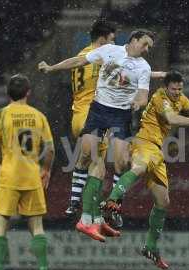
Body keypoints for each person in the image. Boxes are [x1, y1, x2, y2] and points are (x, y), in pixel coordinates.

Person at [101, 71, 189, 269]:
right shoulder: (159, 98)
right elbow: (172, 119)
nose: (177, 92)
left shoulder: (181, 99)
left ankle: (150, 246)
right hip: (144, 142)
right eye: (173, 89)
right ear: (166, 87)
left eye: (180, 89)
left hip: (157, 152)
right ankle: (111, 201)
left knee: (163, 201)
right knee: (138, 168)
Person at [38, 29, 160, 241]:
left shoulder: (143, 67)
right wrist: (51, 68)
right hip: (98, 110)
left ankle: (112, 206)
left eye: (149, 47)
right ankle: (81, 207)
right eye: (145, 44)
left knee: (122, 162)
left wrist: (137, 104)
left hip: (121, 114)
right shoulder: (109, 51)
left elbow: (142, 96)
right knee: (88, 156)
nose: (147, 50)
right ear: (134, 40)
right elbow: (78, 61)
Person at [0, 74, 55, 270]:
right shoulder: (38, 116)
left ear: (8, 93)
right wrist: (46, 169)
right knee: (36, 226)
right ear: (28, 92)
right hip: (32, 175)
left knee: (0, 223)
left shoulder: (1, 115)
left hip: (9, 176)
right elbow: (50, 149)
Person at [64, 20, 120, 239]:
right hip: (94, 115)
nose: (113, 43)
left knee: (94, 165)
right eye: (112, 39)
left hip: (78, 114)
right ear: (103, 38)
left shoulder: (82, 55)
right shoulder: (101, 56)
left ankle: (93, 217)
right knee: (97, 167)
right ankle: (86, 219)